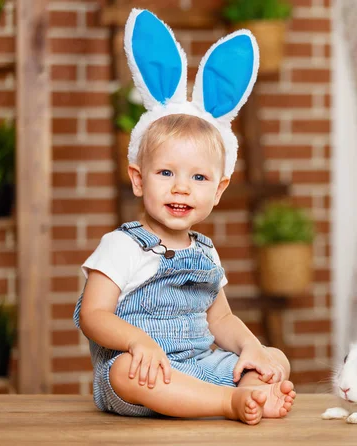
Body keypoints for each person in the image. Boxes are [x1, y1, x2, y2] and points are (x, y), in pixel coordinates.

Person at [73, 9, 295, 425]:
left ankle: (248, 387)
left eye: (198, 177)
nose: (181, 187)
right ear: (138, 180)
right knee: (124, 373)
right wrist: (138, 342)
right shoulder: (123, 245)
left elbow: (221, 318)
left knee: (272, 354)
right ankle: (228, 403)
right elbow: (93, 314)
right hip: (145, 373)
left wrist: (251, 349)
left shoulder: (206, 252)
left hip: (200, 365)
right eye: (166, 173)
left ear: (219, 190)